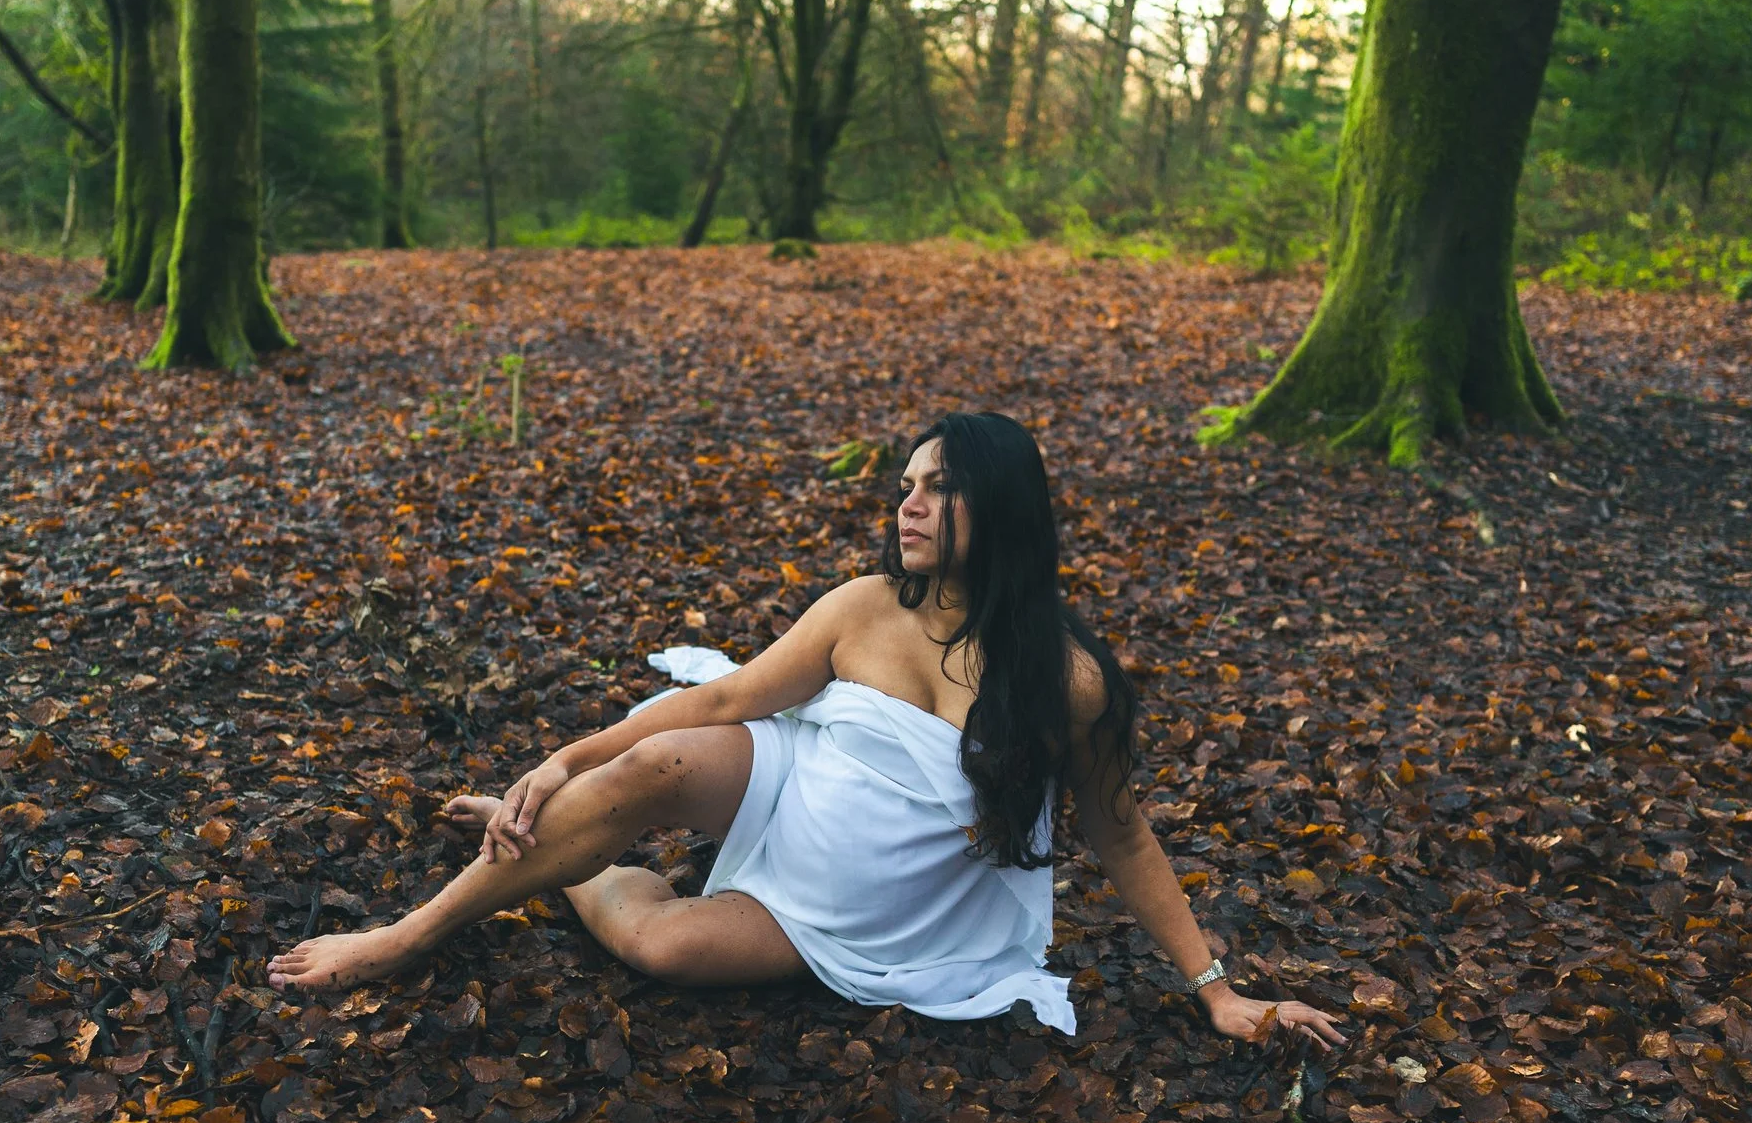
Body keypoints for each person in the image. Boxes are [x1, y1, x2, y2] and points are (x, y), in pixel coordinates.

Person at [267, 412, 1343, 1050]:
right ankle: (412, 929)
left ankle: (575, 864)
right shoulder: (864, 604)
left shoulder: (1067, 681)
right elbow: (721, 701)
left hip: (860, 908)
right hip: (785, 778)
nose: (907, 504)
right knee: (652, 757)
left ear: (1002, 510)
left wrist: (1218, 990)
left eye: (939, 487)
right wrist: (563, 759)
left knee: (665, 943)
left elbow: (1122, 836)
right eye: (905, 486)